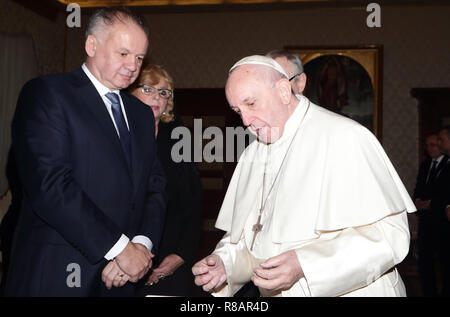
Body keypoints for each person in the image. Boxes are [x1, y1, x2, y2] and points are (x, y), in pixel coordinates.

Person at [192, 55, 415, 297]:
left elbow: (391, 238)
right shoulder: (252, 154)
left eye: (252, 104)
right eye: (238, 110)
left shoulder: (345, 137)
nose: (245, 121)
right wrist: (226, 263)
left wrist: (306, 264)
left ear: (284, 91)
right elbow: (253, 238)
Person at [4, 7, 166, 296]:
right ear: (92, 45)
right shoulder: (47, 94)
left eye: (139, 58)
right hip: (57, 273)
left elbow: (154, 186)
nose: (133, 65)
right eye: (123, 54)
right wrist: (120, 248)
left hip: (121, 279)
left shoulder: (141, 114)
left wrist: (140, 245)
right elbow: (50, 186)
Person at [129, 64, 202, 296]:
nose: (157, 97)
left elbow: (194, 204)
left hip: (171, 254)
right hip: (122, 257)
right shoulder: (114, 139)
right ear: (130, 94)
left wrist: (181, 255)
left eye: (163, 92)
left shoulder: (180, 142)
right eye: (148, 89)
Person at [413, 133, 448, 296]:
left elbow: (445, 193)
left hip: (442, 222)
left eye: (433, 144)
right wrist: (418, 200)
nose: (430, 148)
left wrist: (431, 203)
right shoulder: (425, 165)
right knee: (425, 262)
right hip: (425, 221)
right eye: (427, 145)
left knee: (444, 261)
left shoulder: (448, 164)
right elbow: (418, 188)